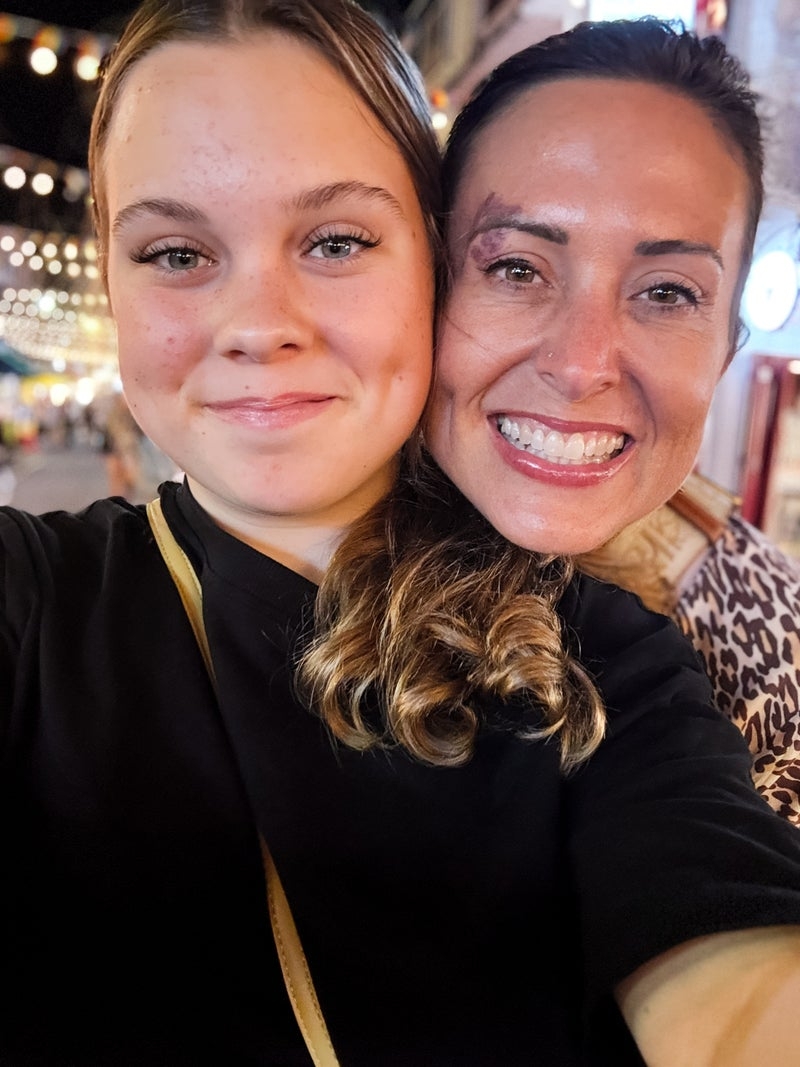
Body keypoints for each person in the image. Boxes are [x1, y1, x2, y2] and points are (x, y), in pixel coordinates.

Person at [0, 4, 799, 1066]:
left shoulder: (598, 660)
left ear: (428, 265)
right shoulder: (37, 600)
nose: (257, 323)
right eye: (176, 250)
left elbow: (736, 977)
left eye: (335, 240)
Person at [426, 17, 800, 826]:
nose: (582, 362)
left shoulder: (773, 659)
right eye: (517, 268)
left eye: (667, 292)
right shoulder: (274, 558)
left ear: (728, 346)